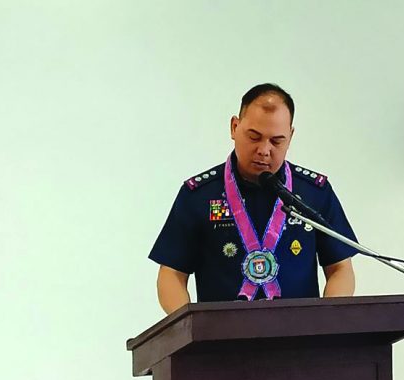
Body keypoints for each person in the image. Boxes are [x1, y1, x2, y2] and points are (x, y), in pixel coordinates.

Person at [149, 84, 358, 313]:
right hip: (220, 341)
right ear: (234, 127)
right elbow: (171, 274)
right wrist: (189, 328)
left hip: (301, 341)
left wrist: (327, 322)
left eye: (276, 141)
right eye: (254, 137)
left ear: (290, 137)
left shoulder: (313, 193)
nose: (264, 150)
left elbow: (340, 269)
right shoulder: (198, 195)